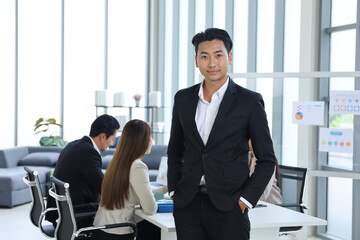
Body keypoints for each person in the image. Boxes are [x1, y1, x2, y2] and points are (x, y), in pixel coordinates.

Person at [167, 28, 276, 240]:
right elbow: (175, 150)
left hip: (230, 206)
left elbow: (267, 159)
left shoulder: (249, 102)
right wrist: (174, 191)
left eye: (218, 55)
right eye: (204, 56)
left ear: (230, 57)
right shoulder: (183, 98)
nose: (212, 63)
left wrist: (245, 200)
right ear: (196, 61)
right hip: (187, 204)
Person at [93, 119, 167, 240]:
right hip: (119, 233)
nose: (152, 140)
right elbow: (150, 208)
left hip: (102, 230)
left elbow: (132, 194)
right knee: (154, 229)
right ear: (141, 141)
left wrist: (165, 189)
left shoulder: (117, 162)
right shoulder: (138, 166)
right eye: (150, 136)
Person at [46, 114, 120, 228]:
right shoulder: (88, 152)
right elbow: (103, 186)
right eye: (113, 139)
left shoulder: (74, 145)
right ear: (102, 136)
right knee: (119, 213)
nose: (112, 144)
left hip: (61, 211)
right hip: (74, 214)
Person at [248, 140, 282, 205]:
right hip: (254, 204)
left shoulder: (267, 161)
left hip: (270, 206)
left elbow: (263, 196)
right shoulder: (248, 156)